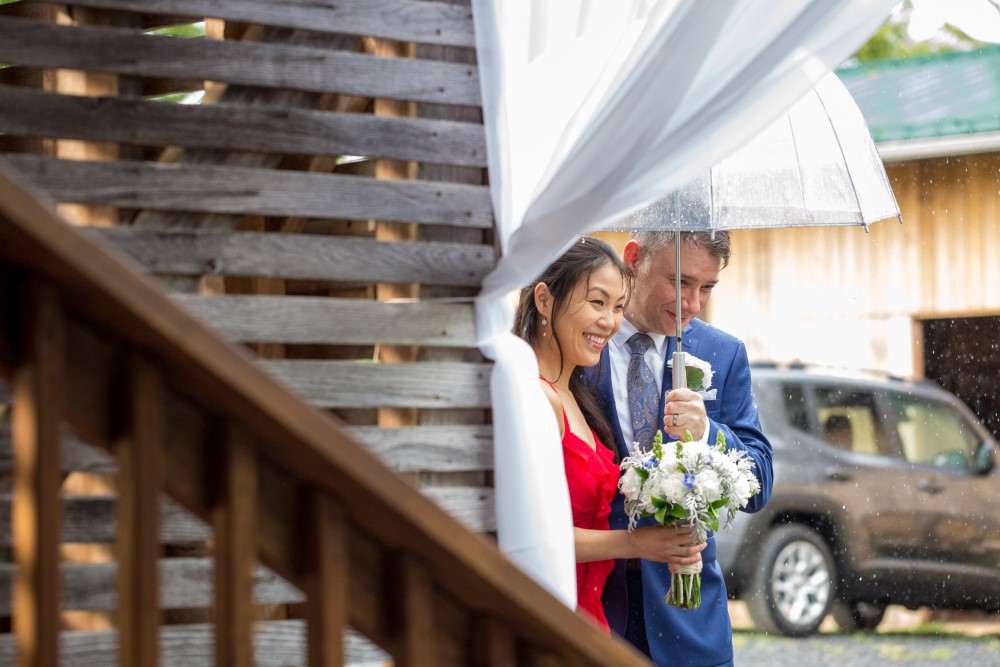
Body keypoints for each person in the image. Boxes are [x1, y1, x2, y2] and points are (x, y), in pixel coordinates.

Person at [588, 230, 773, 665]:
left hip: (689, 620)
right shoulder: (581, 345)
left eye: (707, 287)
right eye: (680, 282)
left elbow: (760, 481)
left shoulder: (721, 353)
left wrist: (709, 432)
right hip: (595, 605)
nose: (693, 304)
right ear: (633, 259)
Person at [514, 236, 706, 633]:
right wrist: (637, 543)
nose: (610, 322)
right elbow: (529, 535)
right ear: (544, 299)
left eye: (618, 307)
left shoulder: (574, 394)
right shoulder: (535, 395)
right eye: (597, 302)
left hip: (588, 611)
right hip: (549, 614)